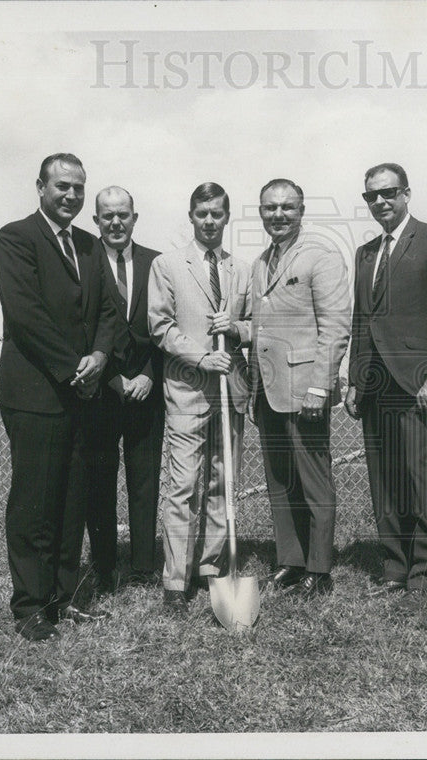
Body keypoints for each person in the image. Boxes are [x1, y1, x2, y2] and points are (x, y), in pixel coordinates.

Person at [0, 153, 116, 641]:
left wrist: (101, 357)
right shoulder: (16, 238)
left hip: (83, 392)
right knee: (35, 503)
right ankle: (30, 606)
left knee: (71, 502)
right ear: (40, 187)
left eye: (78, 188)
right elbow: (26, 315)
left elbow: (108, 310)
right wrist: (73, 369)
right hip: (36, 394)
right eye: (62, 186)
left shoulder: (90, 245)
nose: (71, 195)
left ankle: (63, 599)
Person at [344, 162, 427, 612]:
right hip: (375, 388)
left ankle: (424, 577)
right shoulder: (366, 253)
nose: (381, 202)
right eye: (372, 196)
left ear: (407, 193)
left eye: (389, 193)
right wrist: (356, 380)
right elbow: (362, 322)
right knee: (385, 480)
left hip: (417, 386)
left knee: (418, 480)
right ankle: (394, 568)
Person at [147, 182, 251, 613]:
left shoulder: (242, 269)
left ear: (227, 218)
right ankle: (176, 579)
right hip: (188, 388)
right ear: (191, 216)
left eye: (218, 214)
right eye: (202, 213)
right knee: (184, 484)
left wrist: (238, 330)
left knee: (221, 481)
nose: (210, 221)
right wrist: (202, 356)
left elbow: (254, 325)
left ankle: (211, 567)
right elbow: (160, 325)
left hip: (230, 391)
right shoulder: (167, 265)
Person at [250, 178, 351, 600]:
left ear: (302, 209)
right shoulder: (260, 261)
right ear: (260, 212)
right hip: (268, 390)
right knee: (280, 480)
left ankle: (319, 569)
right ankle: (290, 561)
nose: (278, 215)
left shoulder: (321, 256)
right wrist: (234, 328)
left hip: (304, 390)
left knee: (313, 480)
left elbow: (335, 328)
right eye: (270, 208)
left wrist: (319, 388)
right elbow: (263, 324)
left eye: (287, 207)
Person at [83, 186, 164, 594]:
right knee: (99, 479)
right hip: (101, 391)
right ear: (95, 220)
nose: (116, 222)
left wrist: (149, 374)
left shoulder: (157, 264)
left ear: (135, 217)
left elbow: (167, 326)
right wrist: (113, 379)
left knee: (145, 477)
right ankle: (104, 565)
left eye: (123, 215)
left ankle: (144, 565)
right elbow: (80, 328)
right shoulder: (82, 261)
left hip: (147, 390)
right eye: (107, 216)